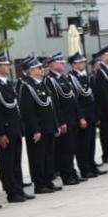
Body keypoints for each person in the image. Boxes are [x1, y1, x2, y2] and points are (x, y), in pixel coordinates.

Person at [0, 54, 30, 202]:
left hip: (15, 128)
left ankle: (19, 189)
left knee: (16, 162)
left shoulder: (8, 84)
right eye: (5, 64)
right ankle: (12, 192)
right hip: (5, 131)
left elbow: (14, 108)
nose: (8, 67)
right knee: (7, 163)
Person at [18, 57, 59, 194]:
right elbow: (28, 111)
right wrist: (35, 129)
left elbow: (50, 107)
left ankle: (48, 180)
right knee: (38, 157)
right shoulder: (27, 86)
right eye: (39, 68)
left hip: (48, 127)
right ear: (31, 71)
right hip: (38, 129)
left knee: (49, 155)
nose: (42, 70)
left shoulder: (42, 84)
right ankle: (40, 184)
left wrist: (55, 125)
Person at [47, 53, 82, 185]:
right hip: (64, 120)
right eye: (59, 62)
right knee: (64, 150)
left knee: (71, 148)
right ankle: (66, 175)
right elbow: (55, 104)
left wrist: (79, 117)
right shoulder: (51, 80)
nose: (63, 64)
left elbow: (73, 99)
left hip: (72, 118)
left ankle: (72, 172)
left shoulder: (64, 78)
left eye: (63, 61)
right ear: (52, 64)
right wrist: (60, 122)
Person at [69, 52, 104, 175]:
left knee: (91, 143)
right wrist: (81, 117)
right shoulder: (72, 78)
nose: (83, 64)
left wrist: (96, 114)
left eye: (83, 62)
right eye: (79, 62)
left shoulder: (84, 77)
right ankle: (85, 168)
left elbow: (92, 97)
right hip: (83, 115)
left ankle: (92, 164)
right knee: (83, 144)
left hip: (91, 114)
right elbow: (76, 100)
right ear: (73, 65)